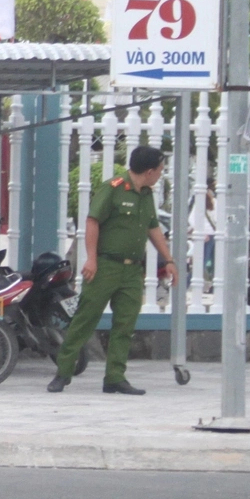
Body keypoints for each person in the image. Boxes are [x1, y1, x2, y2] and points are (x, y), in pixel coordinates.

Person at [49, 145, 177, 396]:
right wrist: (91, 259)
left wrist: (168, 259)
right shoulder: (114, 188)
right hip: (105, 266)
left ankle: (115, 377)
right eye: (160, 170)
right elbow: (92, 221)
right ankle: (63, 372)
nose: (161, 174)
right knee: (85, 320)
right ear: (150, 171)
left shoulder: (146, 194)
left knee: (125, 324)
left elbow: (153, 228)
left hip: (131, 271)